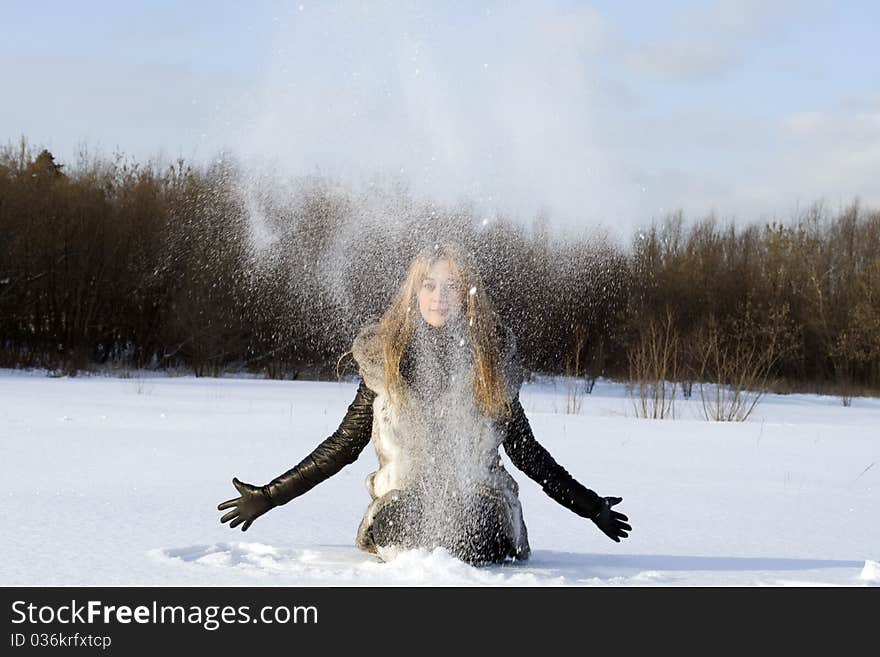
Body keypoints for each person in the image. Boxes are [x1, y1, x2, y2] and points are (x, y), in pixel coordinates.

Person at [218, 241, 631, 565]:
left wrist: (591, 506)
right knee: (413, 527)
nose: (439, 296)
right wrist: (271, 496)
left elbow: (529, 456)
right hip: (403, 508)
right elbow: (342, 447)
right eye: (429, 285)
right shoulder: (387, 364)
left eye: (452, 286)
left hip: (482, 509)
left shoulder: (491, 366)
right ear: (414, 291)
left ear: (467, 294)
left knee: (464, 528)